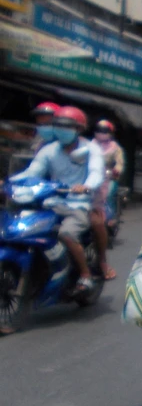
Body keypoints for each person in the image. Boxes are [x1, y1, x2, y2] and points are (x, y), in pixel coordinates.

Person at [8, 106, 109, 290]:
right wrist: (9, 182)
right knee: (23, 230)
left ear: (78, 129)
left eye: (67, 126)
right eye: (58, 125)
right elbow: (32, 171)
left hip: (78, 204)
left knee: (66, 234)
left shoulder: (91, 149)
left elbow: (96, 173)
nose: (61, 130)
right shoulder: (49, 150)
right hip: (51, 202)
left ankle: (86, 275)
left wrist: (86, 186)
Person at [92, 120, 125, 231]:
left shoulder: (115, 147)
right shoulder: (91, 145)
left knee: (109, 193)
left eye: (104, 131)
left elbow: (120, 162)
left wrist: (116, 170)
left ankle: (110, 218)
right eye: (99, 130)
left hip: (108, 176)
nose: (101, 133)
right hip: (93, 174)